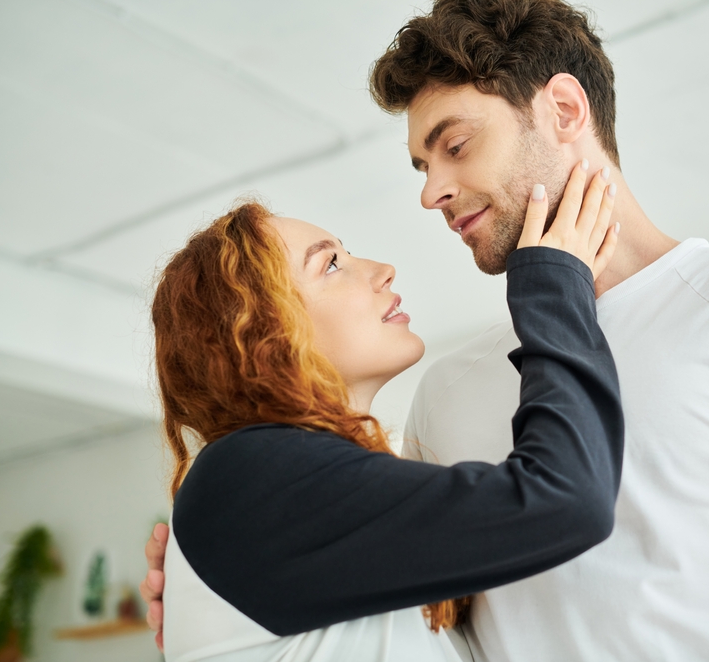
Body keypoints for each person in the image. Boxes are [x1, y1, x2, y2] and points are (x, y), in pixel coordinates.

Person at [144, 0, 709, 660]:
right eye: (422, 166)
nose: (432, 194)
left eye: (455, 145)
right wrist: (210, 588)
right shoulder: (445, 392)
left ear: (565, 111)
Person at [151, 164, 625, 661]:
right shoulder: (246, 479)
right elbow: (568, 502)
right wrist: (551, 287)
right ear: (261, 335)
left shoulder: (264, 496)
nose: (382, 269)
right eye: (330, 264)